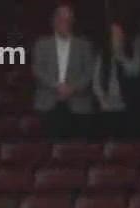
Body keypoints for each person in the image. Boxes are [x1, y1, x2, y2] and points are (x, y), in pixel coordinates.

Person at [31, 4, 97, 140]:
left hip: (79, 104)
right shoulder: (41, 44)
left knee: (78, 149)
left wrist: (73, 88)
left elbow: (89, 72)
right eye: (61, 19)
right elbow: (38, 70)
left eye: (67, 20)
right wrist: (57, 86)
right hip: (48, 103)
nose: (64, 23)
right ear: (53, 21)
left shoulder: (84, 45)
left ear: (73, 22)